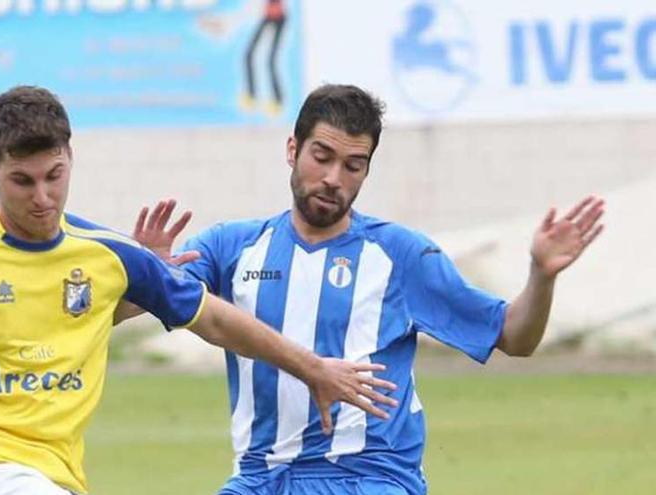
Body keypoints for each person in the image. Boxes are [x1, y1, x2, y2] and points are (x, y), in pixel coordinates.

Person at [0, 86, 400, 495]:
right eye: (22, 181)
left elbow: (218, 322)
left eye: (55, 176)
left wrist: (312, 368)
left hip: (59, 477)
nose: (43, 197)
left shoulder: (109, 256)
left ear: (70, 158)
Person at [129, 84, 605, 494]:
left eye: (354, 165)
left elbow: (514, 337)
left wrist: (541, 276)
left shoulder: (401, 255)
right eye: (322, 157)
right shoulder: (232, 247)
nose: (334, 178)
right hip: (262, 477)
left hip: (370, 476)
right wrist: (147, 275)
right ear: (292, 150)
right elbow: (130, 310)